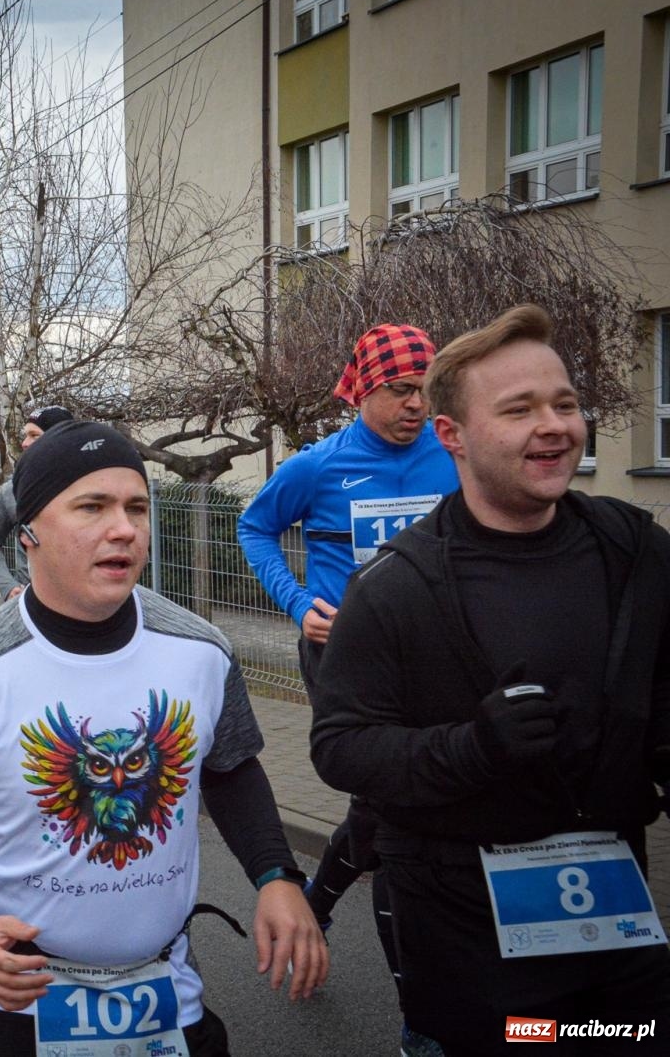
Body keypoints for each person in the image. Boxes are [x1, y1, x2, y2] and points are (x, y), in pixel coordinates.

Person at [0, 420, 327, 1056]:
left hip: (167, 986)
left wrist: (276, 875)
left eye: (136, 506)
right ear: (28, 532)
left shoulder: (199, 649)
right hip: (18, 998)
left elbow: (229, 769)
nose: (125, 528)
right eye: (92, 506)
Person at [310, 304, 670, 1054]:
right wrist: (473, 748)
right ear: (455, 436)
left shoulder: (632, 549)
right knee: (532, 1043)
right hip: (474, 946)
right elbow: (342, 749)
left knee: (626, 1039)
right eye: (520, 410)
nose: (556, 426)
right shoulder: (396, 587)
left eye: (565, 404)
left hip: (620, 927)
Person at [236, 322, 458, 1047]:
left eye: (426, 390)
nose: (416, 405)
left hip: (433, 658)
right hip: (345, 661)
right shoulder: (319, 465)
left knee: (390, 810)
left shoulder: (455, 454)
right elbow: (254, 527)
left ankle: (317, 898)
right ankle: (423, 1026)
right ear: (363, 390)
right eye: (400, 390)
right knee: (394, 815)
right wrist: (302, 608)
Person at [0, 404, 73, 602]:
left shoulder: (90, 488)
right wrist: (9, 587)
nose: (24, 443)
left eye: (34, 435)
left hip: (82, 604)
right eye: (25, 435)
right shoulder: (11, 491)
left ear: (60, 440)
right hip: (30, 604)